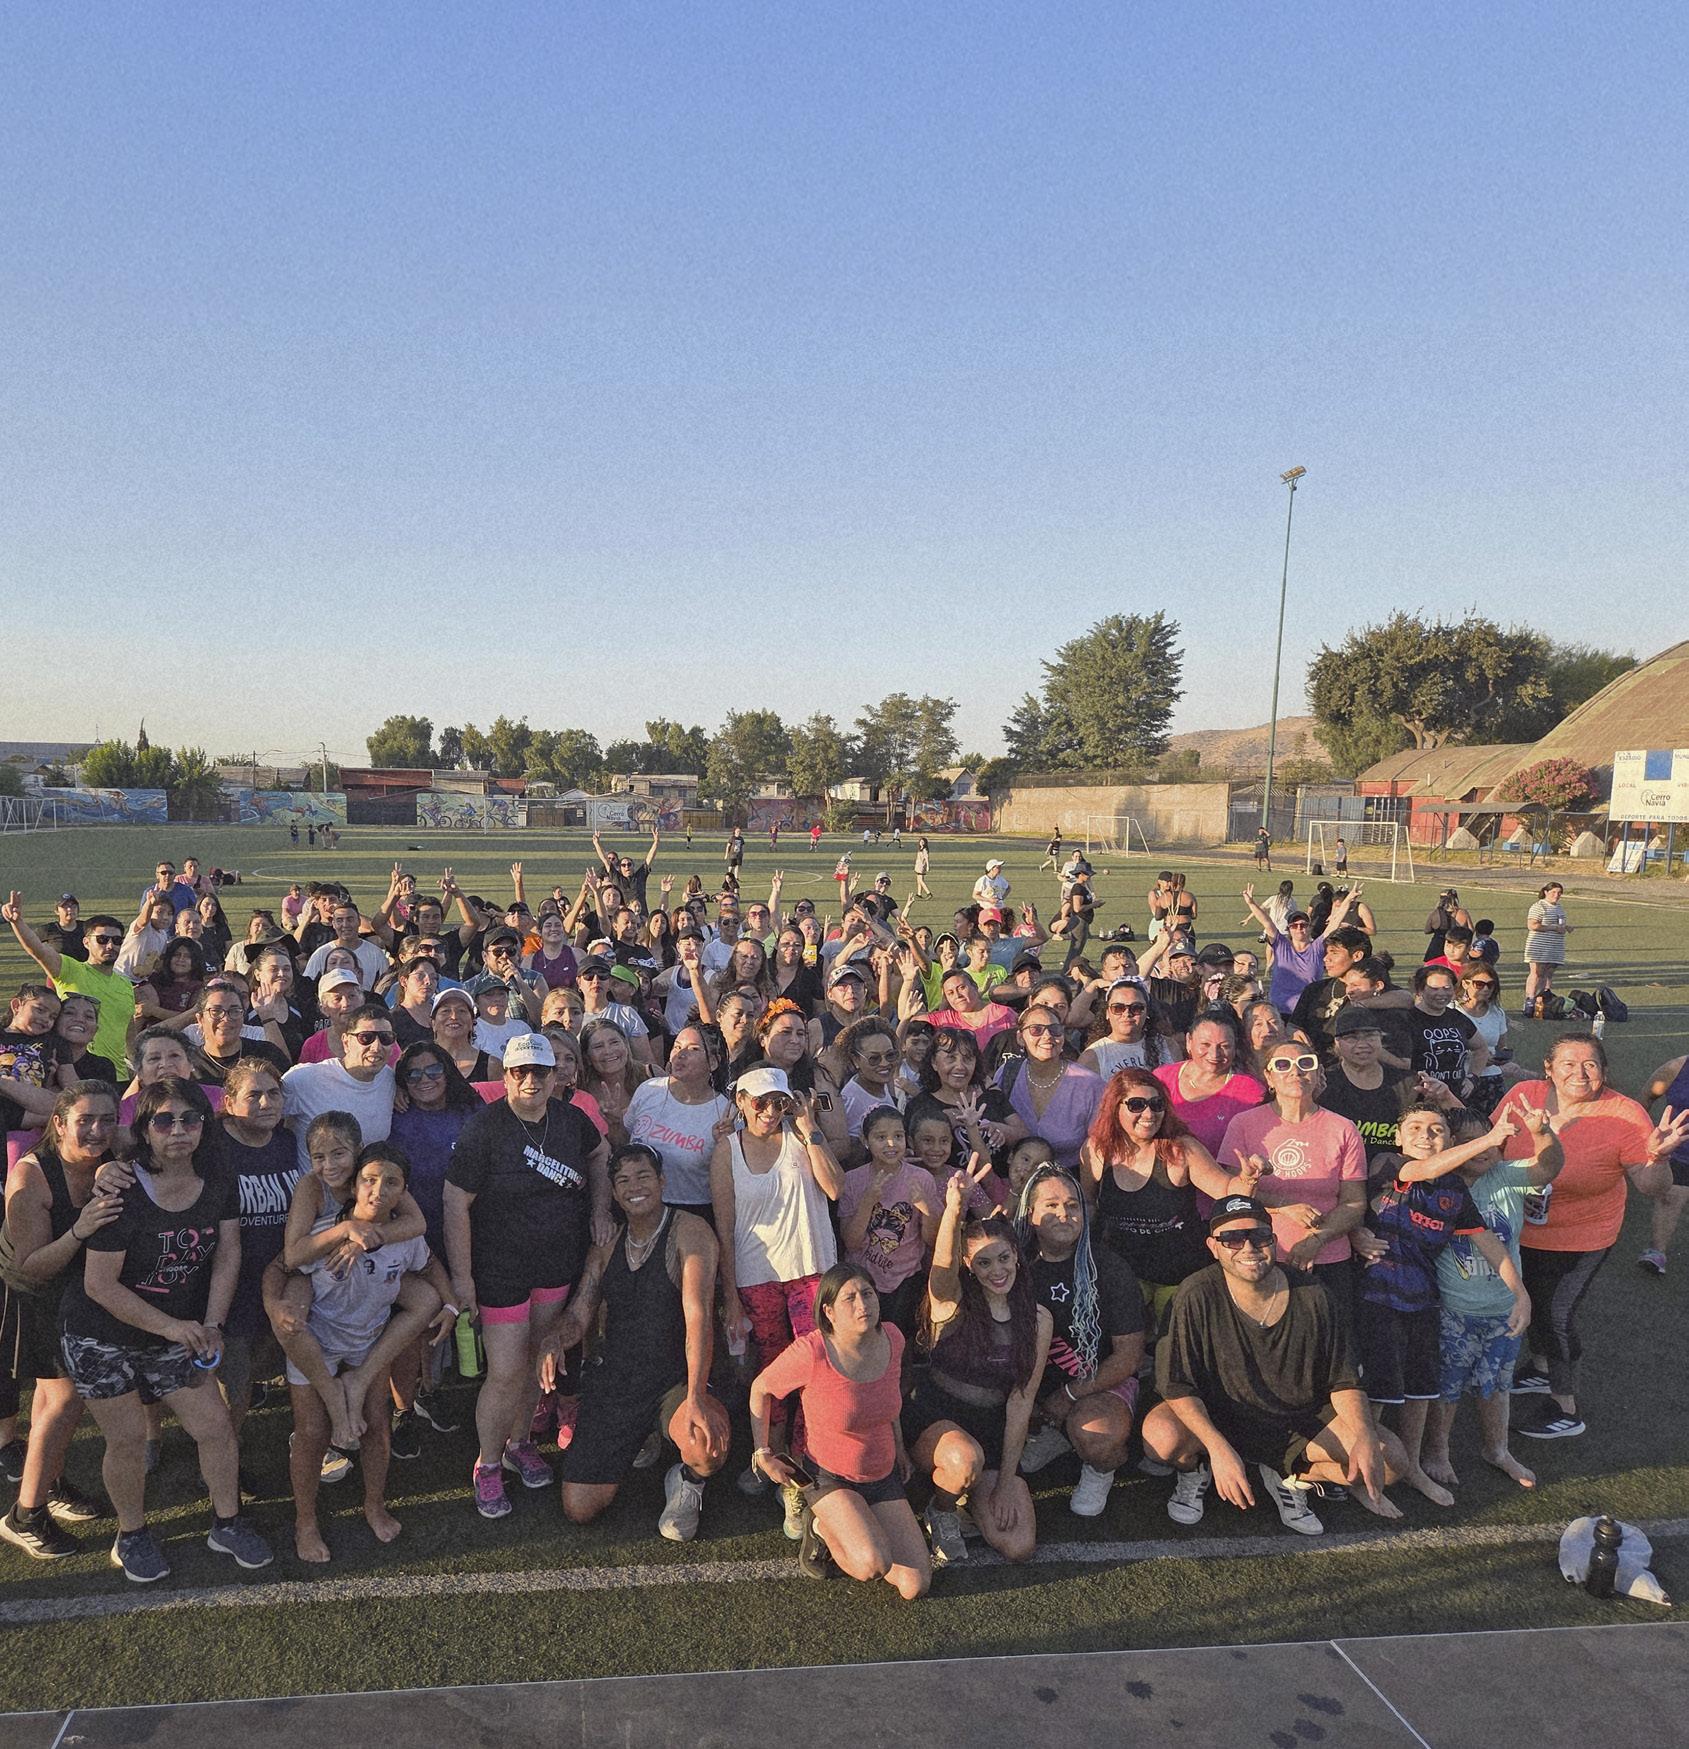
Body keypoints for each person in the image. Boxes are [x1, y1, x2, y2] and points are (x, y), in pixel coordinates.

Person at [57, 1077, 272, 1581]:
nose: (178, 1130)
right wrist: (177, 1328)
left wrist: (213, 1323)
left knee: (215, 1427)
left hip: (178, 1329)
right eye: (164, 1120)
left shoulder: (218, 1180)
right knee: (128, 1439)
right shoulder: (122, 1189)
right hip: (100, 1335)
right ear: (145, 1130)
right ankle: (130, 1534)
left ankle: (227, 1523)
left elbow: (228, 1254)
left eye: (190, 1119)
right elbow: (99, 1286)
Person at [1144, 1194, 1406, 1533]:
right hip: (1221, 1415)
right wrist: (1217, 1448)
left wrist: (1365, 1436)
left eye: (1259, 1236)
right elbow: (1177, 1385)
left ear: (1274, 1240)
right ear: (1213, 1247)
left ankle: (1291, 1474)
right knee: (1160, 1437)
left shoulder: (1313, 1294)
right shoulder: (1194, 1294)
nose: (1248, 1248)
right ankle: (1197, 1470)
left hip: (1301, 1418)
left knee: (1390, 1462)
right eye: (1232, 1239)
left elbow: (1343, 1380)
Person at [444, 1034, 612, 1518]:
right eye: (520, 1072)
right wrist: (463, 1277)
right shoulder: (485, 1128)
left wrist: (600, 1207)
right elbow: (455, 1201)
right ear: (506, 1076)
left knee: (540, 1359)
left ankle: (519, 1443)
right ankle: (488, 1463)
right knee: (506, 1371)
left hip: (556, 1262)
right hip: (500, 1269)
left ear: (555, 1075)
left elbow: (600, 1155)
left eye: (540, 1071)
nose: (531, 1080)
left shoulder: (571, 1119)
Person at [1493, 1036, 1688, 1441]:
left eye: (1590, 1064)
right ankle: (1541, 1369)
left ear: (1604, 1071)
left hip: (1584, 1235)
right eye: (1568, 1063)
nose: (1579, 1073)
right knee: (1529, 1299)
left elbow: (1651, 1187)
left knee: (1556, 1314)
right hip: (1519, 1227)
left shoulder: (1625, 1113)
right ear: (1548, 1068)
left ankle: (1565, 1408)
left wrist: (1659, 1157)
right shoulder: (1523, 1094)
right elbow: (1495, 1146)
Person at [548, 1144, 730, 1540]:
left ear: (662, 1182)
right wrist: (554, 1340)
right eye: (624, 1181)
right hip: (617, 1381)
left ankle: (686, 1480)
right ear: (614, 1193)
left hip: (674, 1379)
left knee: (706, 1446)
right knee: (579, 1508)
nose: (635, 1188)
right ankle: (643, 1436)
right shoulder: (608, 1242)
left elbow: (698, 1318)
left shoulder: (689, 1231)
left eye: (644, 1177)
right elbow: (579, 1313)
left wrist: (696, 1395)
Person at [284, 1141, 454, 1561]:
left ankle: (374, 1505)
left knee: (378, 1425)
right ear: (354, 1185)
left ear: (405, 1191)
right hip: (317, 1344)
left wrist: (451, 1303)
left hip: (367, 1341)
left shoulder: (406, 1235)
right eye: (370, 1180)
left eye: (391, 1183)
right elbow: (284, 1268)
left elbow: (429, 1264)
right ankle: (305, 1522)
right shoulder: (325, 1230)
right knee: (311, 1433)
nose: (379, 1190)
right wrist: (280, 1307)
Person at [1352, 1104, 1528, 1507]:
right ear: (1398, 1137)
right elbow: (1422, 1170)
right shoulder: (1389, 1163)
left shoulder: (1453, 1190)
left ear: (1450, 1140)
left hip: (1425, 1301)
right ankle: (1365, 1480)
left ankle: (1413, 1467)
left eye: (1436, 1130)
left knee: (1420, 1391)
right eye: (1415, 1127)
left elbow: (1488, 1243)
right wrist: (1489, 1139)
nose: (1425, 1135)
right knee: (1377, 1393)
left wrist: (1521, 1293)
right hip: (1377, 1298)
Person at [710, 1066, 842, 1536]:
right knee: (772, 1375)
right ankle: (775, 1460)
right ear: (741, 1102)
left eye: (778, 1102)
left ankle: (808, 1467)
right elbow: (724, 1226)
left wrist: (810, 1131)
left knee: (816, 1373)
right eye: (760, 1101)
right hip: (756, 1278)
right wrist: (730, 1295)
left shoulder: (803, 1138)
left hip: (811, 1270)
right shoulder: (726, 1150)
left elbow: (835, 1189)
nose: (769, 1111)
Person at [750, 1263, 929, 1594]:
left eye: (867, 1293)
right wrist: (763, 1452)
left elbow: (888, 1401)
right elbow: (761, 1388)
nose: (862, 1305)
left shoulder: (893, 1338)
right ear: (828, 1311)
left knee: (914, 1585)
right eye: (849, 1298)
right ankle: (819, 1526)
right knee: (872, 1564)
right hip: (829, 1477)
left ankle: (859, 1524)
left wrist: (901, 1449)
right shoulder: (813, 1351)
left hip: (882, 1475)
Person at [903, 1171, 1051, 1566]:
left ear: (1016, 1255)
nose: (997, 1270)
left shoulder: (1038, 1318)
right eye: (983, 1263)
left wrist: (1005, 1481)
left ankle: (964, 1492)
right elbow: (941, 1273)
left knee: (1018, 1544)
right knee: (964, 1459)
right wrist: (954, 1209)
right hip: (936, 1419)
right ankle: (941, 1507)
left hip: (990, 1430)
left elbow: (1021, 1402)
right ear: (969, 1265)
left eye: (1003, 1258)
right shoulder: (951, 1304)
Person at [0, 1083, 121, 1559]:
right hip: (31, 1291)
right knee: (65, 1396)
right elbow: (32, 1266)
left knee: (55, 1400)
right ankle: (24, 1516)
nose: (97, 1130)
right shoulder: (31, 1178)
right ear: (59, 1123)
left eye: (107, 1120)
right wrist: (81, 1228)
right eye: (84, 1120)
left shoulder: (110, 1152)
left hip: (73, 1288)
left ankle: (48, 1484)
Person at [1419, 1106, 1564, 1493]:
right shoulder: (1439, 1183)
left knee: (1497, 1386)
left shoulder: (1506, 1175)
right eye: (1470, 1141)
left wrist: (1542, 1133)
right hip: (1452, 1310)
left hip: (1504, 1310)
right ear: (1452, 1145)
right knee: (1447, 1388)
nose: (1482, 1149)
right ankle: (1437, 1451)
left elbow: (1549, 1168)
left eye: (1489, 1139)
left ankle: (1497, 1450)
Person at [1011, 1165, 1145, 1518]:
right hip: (1036, 1384)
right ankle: (1055, 1432)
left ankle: (1100, 1467)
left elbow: (1129, 1357)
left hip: (1099, 1383)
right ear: (1030, 1214)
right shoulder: (1013, 1266)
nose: (1064, 1214)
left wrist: (1068, 1395)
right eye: (1051, 1205)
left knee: (1096, 1436)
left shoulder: (1109, 1267)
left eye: (1073, 1205)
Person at [1216, 1042, 1368, 1332]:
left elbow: (1354, 1202)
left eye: (1306, 1063)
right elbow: (1233, 1196)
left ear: (1318, 1073)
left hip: (1328, 1258)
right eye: (1283, 1065)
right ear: (1269, 1077)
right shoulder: (1244, 1124)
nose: (1295, 1072)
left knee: (1330, 1344)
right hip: (1261, 1257)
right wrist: (1283, 1206)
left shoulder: (1343, 1128)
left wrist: (1316, 1240)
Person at [5, 893, 136, 1079]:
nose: (110, 946)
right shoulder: (70, 969)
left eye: (117, 941)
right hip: (71, 1071)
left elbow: (129, 1034)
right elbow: (38, 950)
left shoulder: (125, 984)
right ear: (86, 942)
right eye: (102, 939)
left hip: (117, 1076)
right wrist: (17, 922)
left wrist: (138, 1066)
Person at [838, 1106, 940, 1338]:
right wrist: (868, 1202)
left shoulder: (921, 1178)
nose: (891, 1144)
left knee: (900, 1341)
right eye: (881, 1137)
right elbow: (851, 1242)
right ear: (865, 1141)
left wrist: (926, 1208)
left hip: (906, 1279)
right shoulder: (853, 1180)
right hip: (862, 1279)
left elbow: (932, 1239)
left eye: (898, 1136)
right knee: (866, 1338)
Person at [621, 1025, 733, 1222]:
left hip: (694, 1213)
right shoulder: (648, 1090)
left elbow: (729, 1180)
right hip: (639, 1206)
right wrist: (614, 1123)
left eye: (693, 1049)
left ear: (713, 1062)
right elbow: (624, 1142)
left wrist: (725, 1144)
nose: (680, 1054)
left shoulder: (726, 1112)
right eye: (677, 1046)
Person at [280, 1003, 398, 1171]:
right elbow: (262, 1120)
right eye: (366, 1037)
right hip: (312, 1186)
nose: (376, 1047)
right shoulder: (304, 1078)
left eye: (385, 1038)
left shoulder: (390, 1080)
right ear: (346, 1042)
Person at [999, 1004, 1104, 1169]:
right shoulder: (1007, 1073)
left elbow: (1100, 1149)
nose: (1047, 1036)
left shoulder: (1090, 1085)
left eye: (1055, 1029)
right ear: (1020, 1038)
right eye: (1036, 1030)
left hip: (1070, 1178)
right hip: (1015, 1178)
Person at [1153, 1015, 1265, 1158]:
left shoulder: (1250, 1090)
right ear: (1189, 1041)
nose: (1214, 1054)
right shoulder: (1162, 1078)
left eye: (1224, 1046)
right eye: (1205, 1045)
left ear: (1235, 1046)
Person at [1243, 882, 1361, 1016]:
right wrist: (1251, 903)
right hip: (1278, 1013)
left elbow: (1334, 924)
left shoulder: (1317, 947)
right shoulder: (1281, 945)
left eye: (1303, 925)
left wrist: (1348, 899)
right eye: (1294, 925)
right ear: (1289, 929)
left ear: (1310, 928)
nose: (1299, 928)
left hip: (1308, 1013)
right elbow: (1266, 922)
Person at [1319, 1007, 1414, 1166]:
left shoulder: (1408, 1083)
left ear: (1381, 1039)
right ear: (1337, 1043)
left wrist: (1444, 1096)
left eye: (1370, 1036)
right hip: (1337, 1169)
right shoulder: (1323, 1083)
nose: (1362, 1044)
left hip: (1393, 1172)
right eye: (1352, 1038)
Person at [1639, 1047, 1689, 1275]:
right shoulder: (1677, 1067)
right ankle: (1657, 1252)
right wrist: (1639, 1138)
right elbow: (1645, 1099)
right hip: (1680, 1149)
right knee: (1670, 1197)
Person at [1522, 883, 1571, 1010]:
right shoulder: (1539, 906)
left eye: (1559, 892)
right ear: (1545, 892)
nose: (1557, 895)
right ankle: (1529, 1000)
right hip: (1539, 946)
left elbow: (1558, 925)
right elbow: (1532, 925)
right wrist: (1553, 928)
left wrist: (1566, 927)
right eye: (1553, 892)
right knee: (1536, 973)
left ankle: (1540, 998)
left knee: (1547, 974)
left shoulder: (1559, 907)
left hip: (1554, 946)